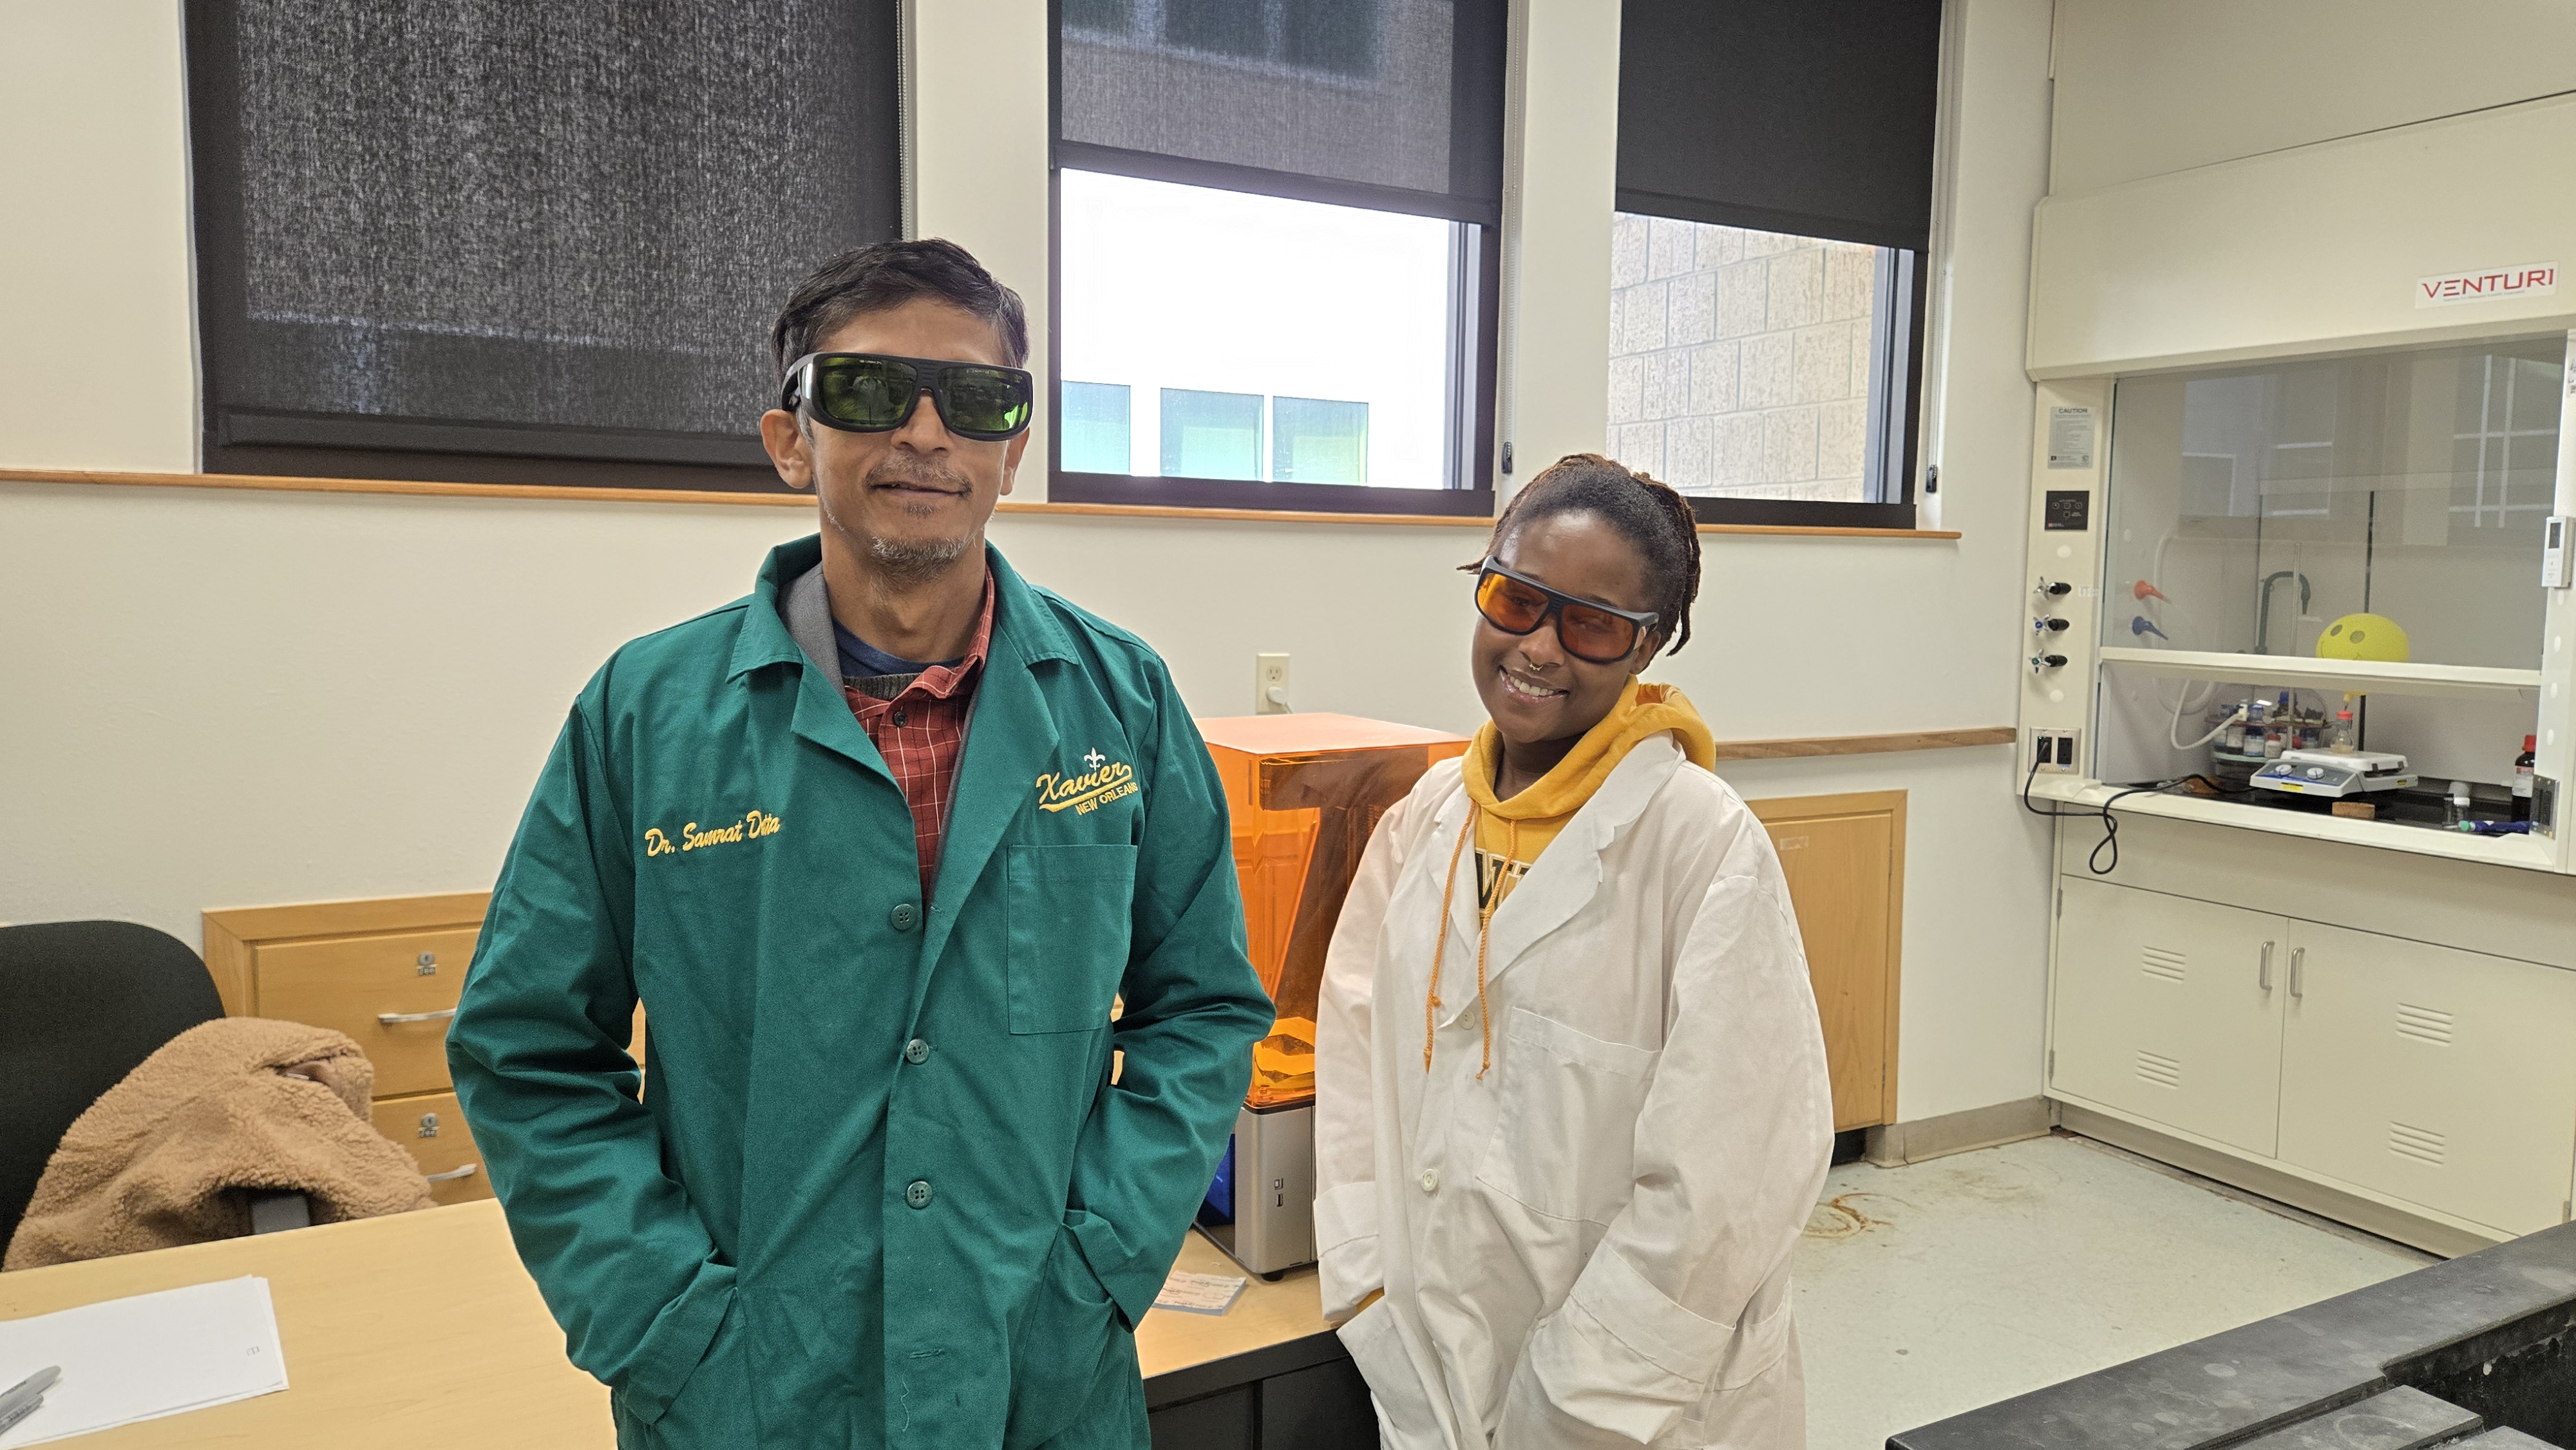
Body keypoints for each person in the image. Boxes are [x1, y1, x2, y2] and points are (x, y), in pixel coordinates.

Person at [448, 239, 1272, 1450]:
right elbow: (527, 1052)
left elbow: (1202, 1012)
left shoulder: (1123, 702)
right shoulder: (645, 714)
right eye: (870, 393)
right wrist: (661, 1320)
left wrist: (1100, 1264)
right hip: (748, 1397)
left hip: (1036, 1386)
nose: (927, 434)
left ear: (1014, 450)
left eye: (977, 402)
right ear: (793, 440)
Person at [1312, 454, 1833, 1449]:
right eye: (1516, 598)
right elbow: (1353, 1056)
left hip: (1632, 1406)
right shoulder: (1428, 819)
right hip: (1426, 1366)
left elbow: (1729, 1179)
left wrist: (1580, 1398)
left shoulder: (1703, 848)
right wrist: (1366, 1274)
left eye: (1592, 624)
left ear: (1648, 649)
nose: (1541, 647)